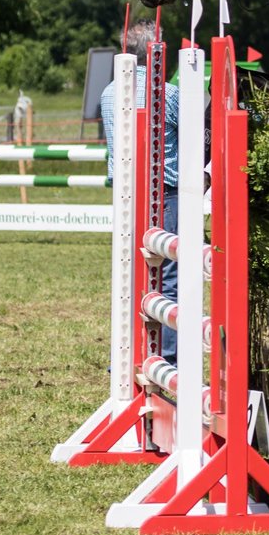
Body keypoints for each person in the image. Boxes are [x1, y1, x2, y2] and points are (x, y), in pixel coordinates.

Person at [101, 20, 181, 362]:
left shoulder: (108, 92)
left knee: (129, 274)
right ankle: (168, 358)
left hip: (124, 193)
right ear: (156, 52)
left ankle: (126, 355)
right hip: (163, 193)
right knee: (169, 276)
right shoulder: (169, 93)